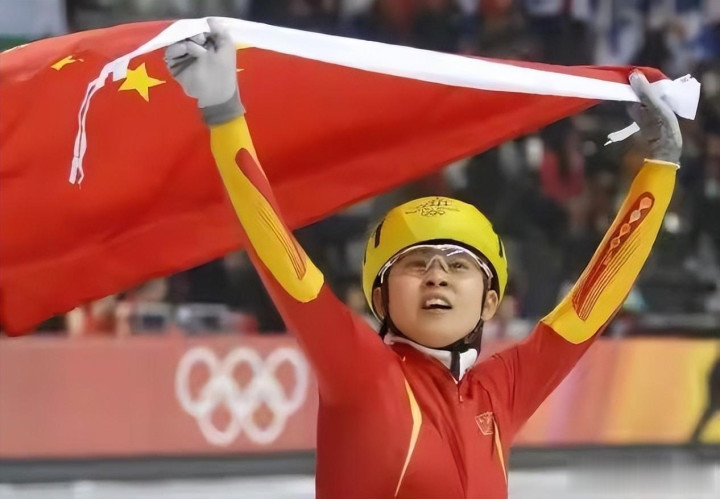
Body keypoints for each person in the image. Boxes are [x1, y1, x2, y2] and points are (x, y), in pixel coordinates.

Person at [164, 20, 682, 498]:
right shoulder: (363, 374)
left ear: (490, 302)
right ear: (381, 297)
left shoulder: (500, 392)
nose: (437, 274)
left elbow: (589, 307)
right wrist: (224, 113)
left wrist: (659, 167)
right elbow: (279, 255)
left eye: (459, 265)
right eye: (416, 263)